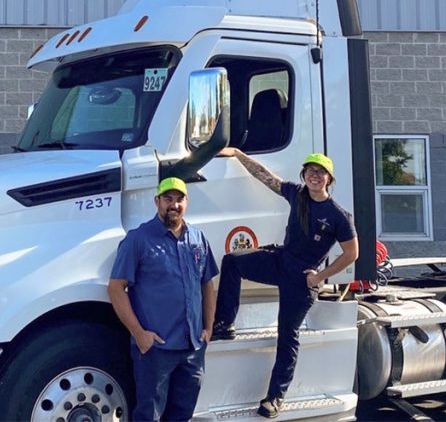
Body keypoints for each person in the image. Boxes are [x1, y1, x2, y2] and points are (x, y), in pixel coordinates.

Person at [211, 150, 359, 418]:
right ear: (304, 175)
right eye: (310, 171)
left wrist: (319, 277)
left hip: (303, 279)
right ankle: (225, 325)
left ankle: (275, 397)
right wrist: (237, 153)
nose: (314, 176)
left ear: (329, 178)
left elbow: (352, 253)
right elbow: (265, 177)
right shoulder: (297, 194)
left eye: (320, 172)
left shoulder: (339, 216)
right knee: (232, 261)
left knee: (287, 335)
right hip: (281, 260)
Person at [108, 177, 219, 421]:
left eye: (179, 199)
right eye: (168, 199)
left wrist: (208, 328)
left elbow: (207, 285)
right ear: (157, 201)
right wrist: (139, 334)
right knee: (149, 416)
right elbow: (116, 288)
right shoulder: (138, 239)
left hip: (192, 348)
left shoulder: (198, 239)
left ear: (186, 202)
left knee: (182, 415)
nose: (174, 205)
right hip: (155, 349)